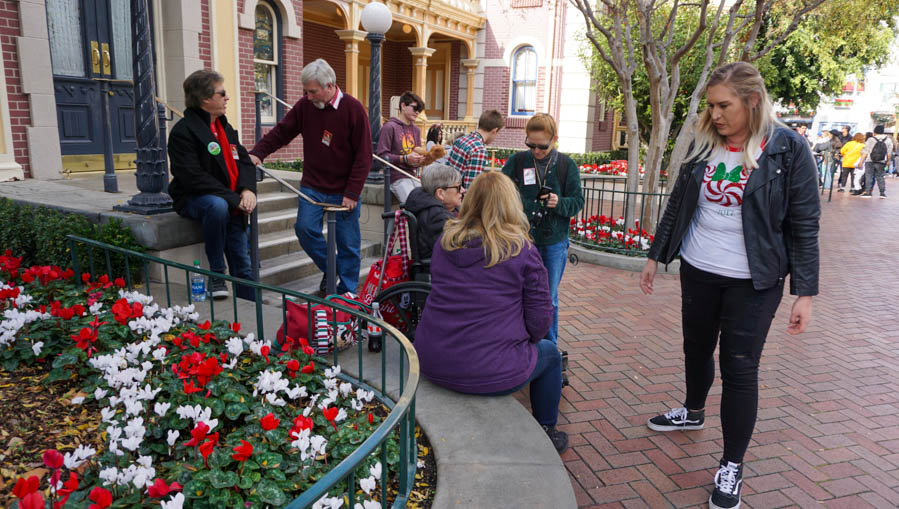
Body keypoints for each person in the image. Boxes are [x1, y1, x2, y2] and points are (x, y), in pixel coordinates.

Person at [639, 62, 820, 509]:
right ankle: (692, 411)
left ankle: (732, 463)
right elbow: (680, 201)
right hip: (699, 267)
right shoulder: (706, 144)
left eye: (724, 105)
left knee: (740, 368)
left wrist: (806, 292)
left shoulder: (787, 149)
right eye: (711, 106)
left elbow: (804, 223)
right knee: (695, 348)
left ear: (752, 101)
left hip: (754, 280)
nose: (716, 114)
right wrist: (654, 254)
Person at [414, 170, 567, 453]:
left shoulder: (445, 242)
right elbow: (540, 319)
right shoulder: (521, 249)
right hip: (491, 370)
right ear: (511, 204)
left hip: (433, 359)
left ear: (469, 201)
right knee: (551, 356)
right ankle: (547, 429)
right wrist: (521, 339)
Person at [248, 59, 372, 295]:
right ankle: (330, 267)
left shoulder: (353, 109)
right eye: (306, 91)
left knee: (348, 244)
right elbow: (282, 132)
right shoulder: (306, 106)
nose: (308, 96)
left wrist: (352, 193)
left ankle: (347, 295)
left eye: (313, 91)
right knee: (304, 229)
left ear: (330, 86)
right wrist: (258, 152)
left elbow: (364, 156)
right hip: (313, 185)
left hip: (344, 190)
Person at [168, 70, 257, 301]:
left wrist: (247, 190)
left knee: (244, 268)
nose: (227, 98)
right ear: (205, 99)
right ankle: (217, 273)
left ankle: (251, 312)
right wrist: (233, 197)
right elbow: (192, 177)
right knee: (217, 205)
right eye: (222, 93)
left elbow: (245, 162)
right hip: (196, 198)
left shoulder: (225, 128)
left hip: (232, 204)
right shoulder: (183, 132)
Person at [502, 113, 584, 347]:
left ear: (554, 139)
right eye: (531, 144)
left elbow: (577, 202)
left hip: (553, 242)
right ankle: (518, 344)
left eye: (542, 146)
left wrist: (559, 203)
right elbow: (500, 193)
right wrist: (525, 207)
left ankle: (548, 350)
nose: (536, 150)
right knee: (516, 294)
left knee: (548, 298)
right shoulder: (517, 162)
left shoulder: (566, 165)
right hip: (520, 239)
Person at [403, 164, 464, 260]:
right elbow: (459, 252)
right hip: (440, 271)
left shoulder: (435, 209)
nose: (463, 190)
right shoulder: (437, 217)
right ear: (440, 193)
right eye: (458, 187)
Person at [377, 91, 425, 203]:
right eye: (415, 108)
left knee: (427, 202)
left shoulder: (416, 130)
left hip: (412, 176)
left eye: (419, 110)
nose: (417, 112)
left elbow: (415, 156)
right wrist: (404, 158)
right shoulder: (389, 127)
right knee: (414, 204)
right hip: (396, 177)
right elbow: (381, 156)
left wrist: (421, 160)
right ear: (403, 106)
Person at [446, 109, 505, 189]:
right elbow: (471, 188)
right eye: (498, 133)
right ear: (494, 131)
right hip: (459, 198)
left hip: (446, 191)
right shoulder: (479, 150)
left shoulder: (460, 140)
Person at [857, 124, 892, 198]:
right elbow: (889, 153)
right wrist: (887, 161)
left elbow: (866, 152)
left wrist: (861, 161)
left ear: (875, 131)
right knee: (880, 177)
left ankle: (868, 192)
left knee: (869, 176)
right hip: (881, 161)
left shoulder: (871, 139)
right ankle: (882, 193)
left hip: (870, 160)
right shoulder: (888, 140)